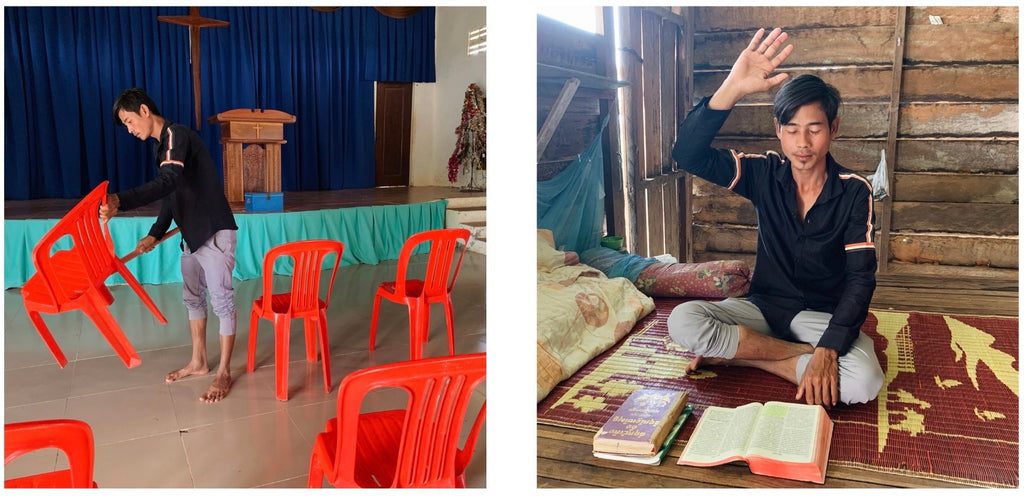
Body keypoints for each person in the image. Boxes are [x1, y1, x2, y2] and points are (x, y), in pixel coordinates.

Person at [668, 28, 883, 407]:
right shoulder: (763, 173)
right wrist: (732, 88)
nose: (803, 143)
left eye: (814, 129)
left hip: (819, 316)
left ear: (833, 128)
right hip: (762, 310)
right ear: (778, 131)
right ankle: (787, 358)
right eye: (792, 129)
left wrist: (829, 347)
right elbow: (687, 154)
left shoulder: (853, 191)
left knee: (864, 382)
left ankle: (748, 356)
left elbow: (860, 279)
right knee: (682, 320)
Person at [100, 88, 239, 403]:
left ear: (145, 111)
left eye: (130, 121)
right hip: (191, 235)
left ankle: (224, 372)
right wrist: (154, 232)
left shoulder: (177, 134)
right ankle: (199, 361)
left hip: (214, 231)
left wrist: (120, 200)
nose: (131, 130)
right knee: (192, 298)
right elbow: (172, 195)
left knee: (223, 303)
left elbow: (168, 182)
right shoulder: (162, 148)